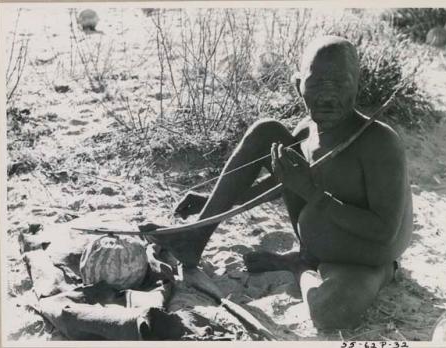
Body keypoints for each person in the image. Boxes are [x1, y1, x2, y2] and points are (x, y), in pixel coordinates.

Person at [157, 35, 413, 330]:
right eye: (317, 85)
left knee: (330, 314)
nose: (328, 98)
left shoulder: (379, 142)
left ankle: (302, 265)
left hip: (365, 257)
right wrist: (219, 201)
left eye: (340, 84)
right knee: (267, 132)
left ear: (358, 83)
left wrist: (313, 194)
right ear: (298, 86)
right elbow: (286, 182)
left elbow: (384, 231)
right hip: (320, 236)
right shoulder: (306, 131)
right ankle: (195, 238)